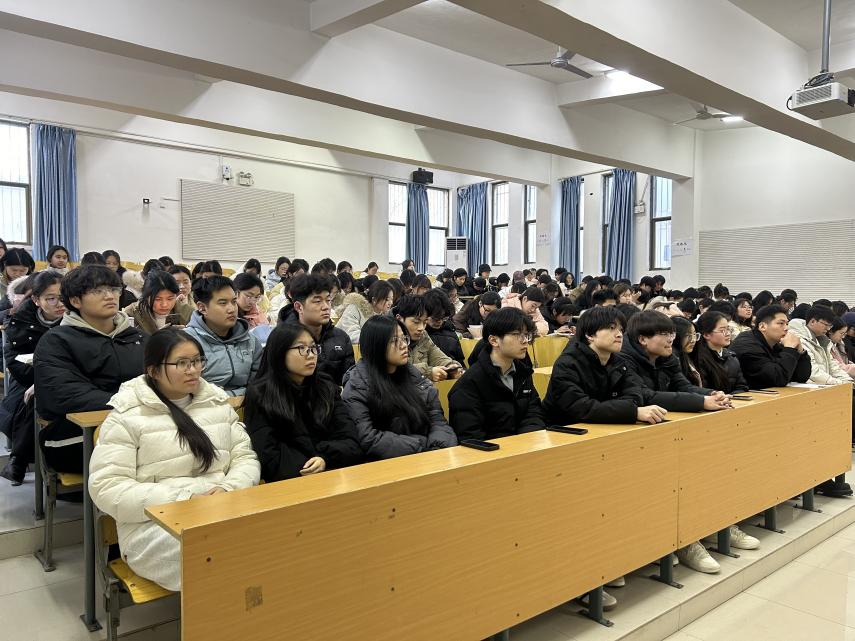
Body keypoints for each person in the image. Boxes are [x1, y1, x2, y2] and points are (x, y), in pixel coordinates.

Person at [88, 328, 260, 592]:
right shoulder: (127, 416)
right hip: (154, 527)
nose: (193, 370)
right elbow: (107, 486)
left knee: (275, 540)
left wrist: (228, 489)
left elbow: (244, 457)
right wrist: (186, 499)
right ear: (154, 370)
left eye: (197, 361)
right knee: (220, 553)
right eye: (182, 363)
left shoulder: (216, 403)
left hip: (223, 509)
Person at [34, 265, 147, 472]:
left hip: (136, 422)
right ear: (75, 301)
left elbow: (163, 380)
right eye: (98, 290)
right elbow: (65, 395)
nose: (109, 296)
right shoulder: (57, 341)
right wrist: (134, 402)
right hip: (75, 434)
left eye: (113, 289)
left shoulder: (137, 337)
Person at [244, 324, 362, 482]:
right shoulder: (261, 395)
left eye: (313, 348)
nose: (311, 355)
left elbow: (351, 440)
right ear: (280, 352)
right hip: (292, 483)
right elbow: (270, 458)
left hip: (335, 474)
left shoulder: (325, 387)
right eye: (301, 348)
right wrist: (312, 463)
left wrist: (324, 458)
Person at [341, 316, 457, 459]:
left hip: (429, 456)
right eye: (394, 341)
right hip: (386, 464)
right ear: (376, 345)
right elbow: (368, 438)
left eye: (404, 339)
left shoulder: (415, 377)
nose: (403, 346)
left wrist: (437, 447)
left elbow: (438, 421)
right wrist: (422, 447)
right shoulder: (357, 386)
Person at [542, 306, 664, 426]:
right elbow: (579, 407)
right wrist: (631, 412)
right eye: (611, 328)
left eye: (621, 329)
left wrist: (621, 410)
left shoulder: (620, 362)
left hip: (606, 425)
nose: (619, 335)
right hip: (564, 429)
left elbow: (635, 396)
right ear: (589, 334)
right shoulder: (567, 364)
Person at [0, 272, 66, 484]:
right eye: (51, 298)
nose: (59, 304)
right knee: (32, 402)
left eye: (63, 297)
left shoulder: (76, 319)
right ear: (36, 300)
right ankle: (18, 460)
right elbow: (15, 363)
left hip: (66, 378)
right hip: (29, 379)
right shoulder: (19, 321)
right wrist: (42, 381)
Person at [449, 308, 545, 441]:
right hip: (491, 451)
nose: (525, 341)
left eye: (526, 334)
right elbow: (471, 435)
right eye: (517, 334)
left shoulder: (523, 373)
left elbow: (534, 414)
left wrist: (525, 442)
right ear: (494, 340)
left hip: (525, 447)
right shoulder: (469, 384)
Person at [621, 311, 729, 414]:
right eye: (664, 334)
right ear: (643, 339)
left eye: (671, 334)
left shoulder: (667, 357)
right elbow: (646, 396)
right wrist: (702, 401)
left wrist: (711, 394)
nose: (670, 339)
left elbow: (683, 386)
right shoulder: (624, 361)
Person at [183, 276, 262, 397]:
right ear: (202, 308)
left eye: (234, 302)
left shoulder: (250, 340)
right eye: (223, 303)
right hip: (204, 404)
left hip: (247, 403)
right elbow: (186, 390)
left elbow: (259, 382)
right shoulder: (186, 342)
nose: (232, 309)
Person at [278, 274, 355, 386]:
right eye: (318, 301)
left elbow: (349, 380)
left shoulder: (341, 338)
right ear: (299, 307)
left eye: (328, 300)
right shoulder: (282, 339)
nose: (326, 307)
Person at [730, 304, 811, 389]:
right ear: (762, 326)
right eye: (781, 323)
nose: (786, 328)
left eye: (787, 324)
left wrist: (800, 351)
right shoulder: (747, 346)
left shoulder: (775, 343)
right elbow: (778, 379)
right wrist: (789, 349)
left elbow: (801, 377)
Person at [394, 295, 462, 382]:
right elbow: (396, 370)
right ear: (399, 318)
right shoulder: (389, 338)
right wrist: (428, 372)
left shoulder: (423, 336)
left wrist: (450, 366)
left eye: (425, 323)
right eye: (416, 322)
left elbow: (436, 354)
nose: (421, 328)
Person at [788, 306, 853, 387]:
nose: (828, 329)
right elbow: (813, 372)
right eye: (826, 325)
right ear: (812, 321)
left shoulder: (823, 340)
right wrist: (839, 383)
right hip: (808, 387)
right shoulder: (799, 339)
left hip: (824, 385)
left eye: (830, 326)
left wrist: (848, 381)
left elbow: (833, 366)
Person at [691, 311, 749, 394]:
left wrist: (733, 397)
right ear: (706, 335)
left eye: (728, 329)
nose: (728, 333)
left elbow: (742, 386)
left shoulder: (731, 356)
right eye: (722, 330)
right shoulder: (698, 358)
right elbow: (703, 390)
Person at [123, 271, 194, 334]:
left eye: (170, 299)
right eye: (158, 299)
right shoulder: (131, 314)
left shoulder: (188, 313)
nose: (164, 304)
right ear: (146, 297)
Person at [337, 279, 394, 344]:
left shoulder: (383, 315)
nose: (391, 303)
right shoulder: (354, 308)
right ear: (374, 299)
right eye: (387, 299)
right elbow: (352, 336)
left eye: (392, 299)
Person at [423, 288, 466, 365]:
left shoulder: (451, 333)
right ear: (424, 314)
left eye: (443, 318)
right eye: (435, 319)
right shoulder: (418, 335)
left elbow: (460, 362)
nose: (440, 321)